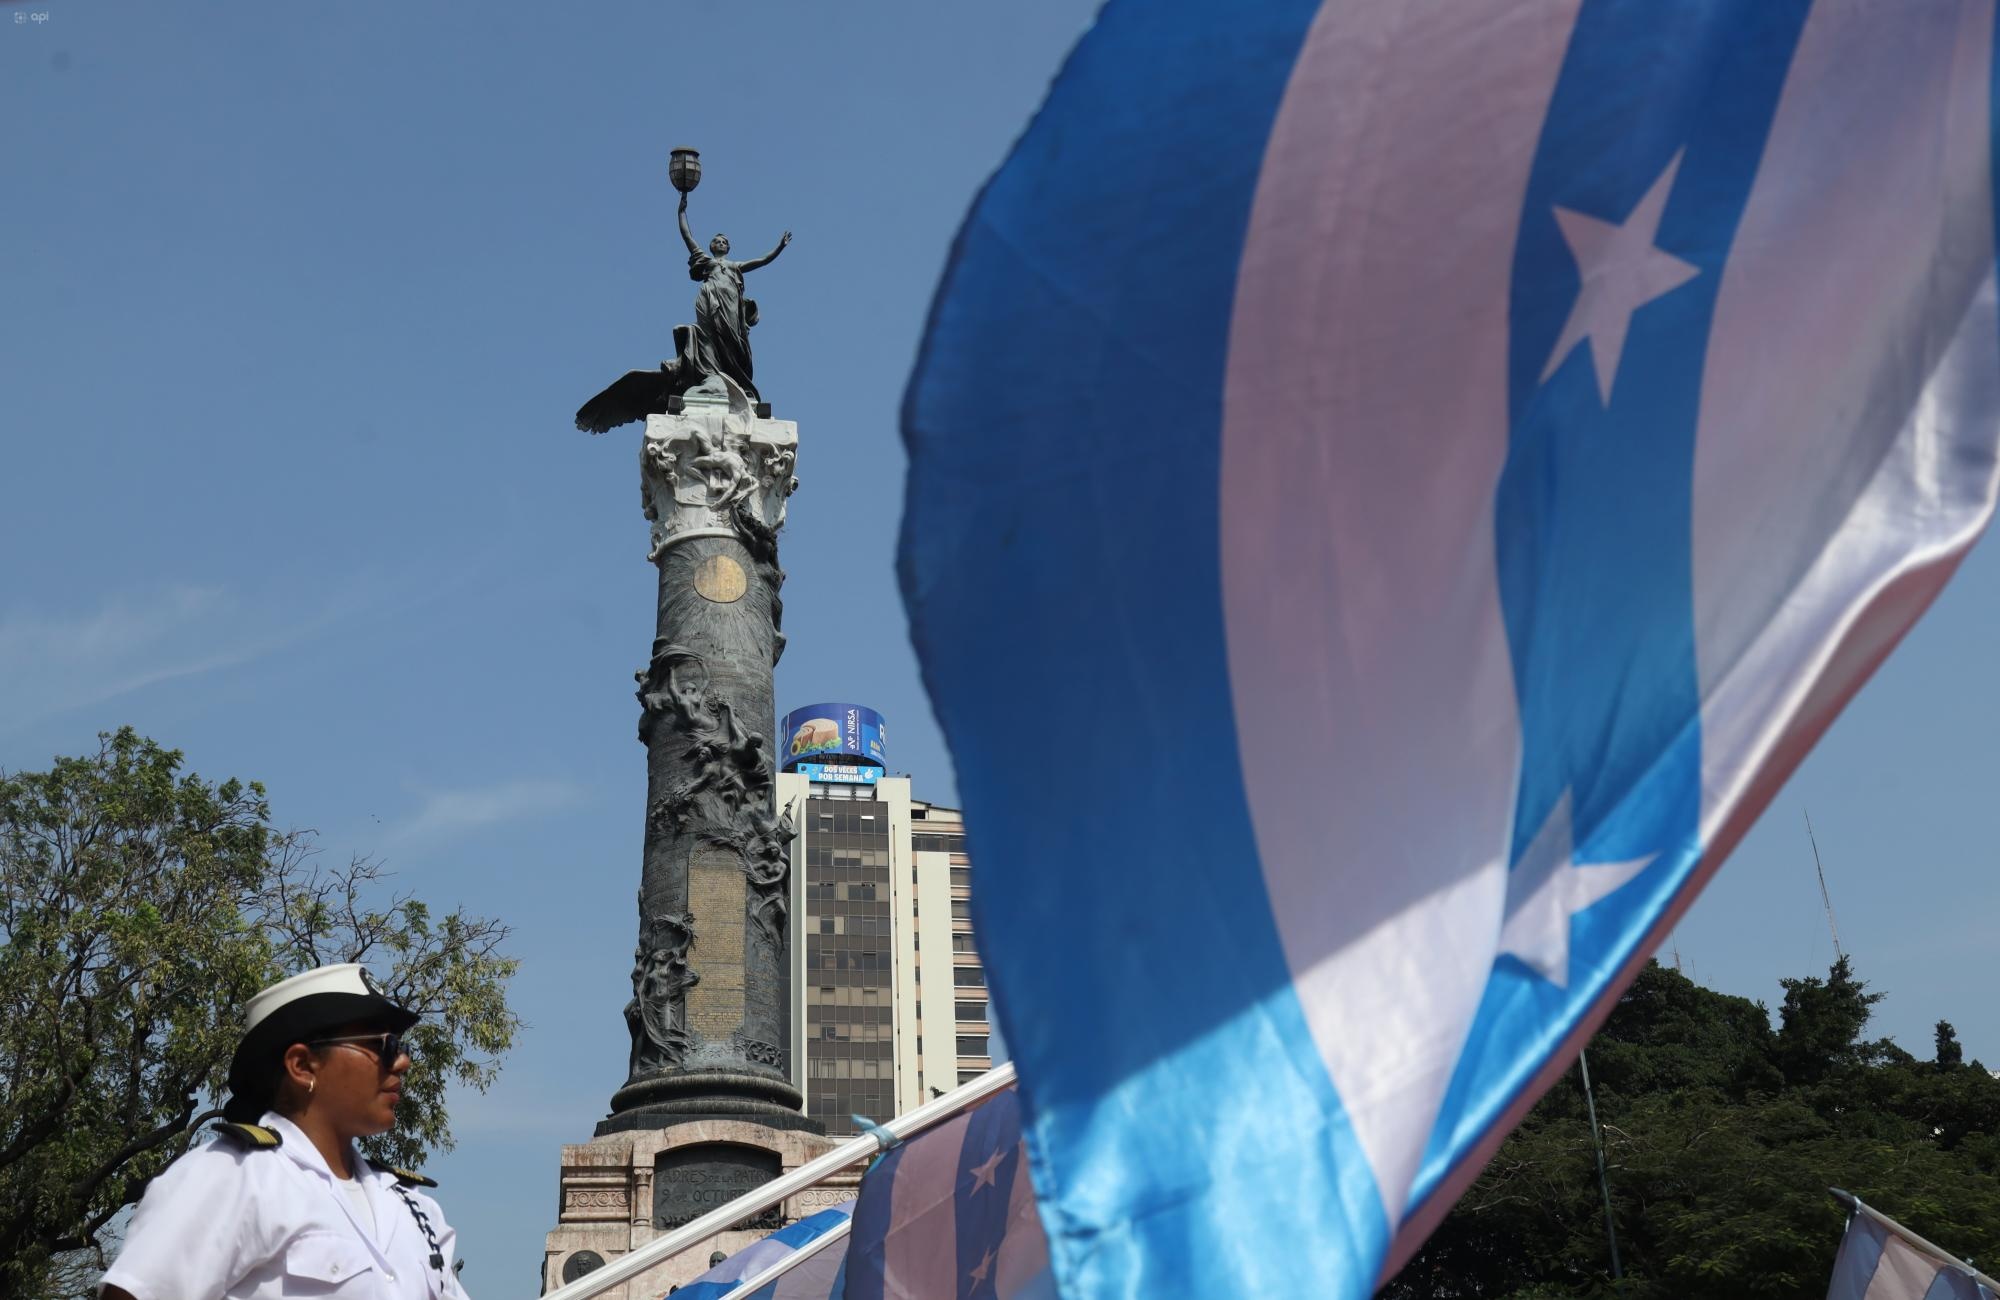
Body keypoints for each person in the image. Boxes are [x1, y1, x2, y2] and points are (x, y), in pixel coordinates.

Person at [100, 964, 467, 1299]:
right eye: (382, 1047)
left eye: (400, 1047)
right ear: (303, 1066)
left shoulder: (413, 1207)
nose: (401, 1062)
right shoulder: (233, 1177)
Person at [677, 190, 790, 402]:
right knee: (710, 336)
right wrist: (681, 212)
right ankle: (711, 375)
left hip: (731, 308)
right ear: (711, 246)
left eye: (724, 242)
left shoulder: (734, 266)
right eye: (717, 241)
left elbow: (762, 260)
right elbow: (687, 236)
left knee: (734, 341)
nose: (720, 243)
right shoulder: (707, 262)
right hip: (710, 302)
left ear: (728, 248)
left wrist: (779, 248)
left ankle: (735, 381)